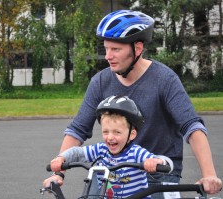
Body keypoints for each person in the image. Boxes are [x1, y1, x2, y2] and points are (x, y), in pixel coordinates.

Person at [44, 9, 222, 197]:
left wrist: (209, 175)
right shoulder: (100, 81)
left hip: (156, 175)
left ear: (137, 49)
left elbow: (191, 126)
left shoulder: (164, 79)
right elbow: (78, 129)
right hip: (111, 174)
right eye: (106, 49)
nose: (108, 56)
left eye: (116, 49)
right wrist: (59, 172)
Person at [44, 95, 174, 198]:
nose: (110, 137)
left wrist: (155, 162)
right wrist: (61, 158)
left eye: (117, 132)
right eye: (106, 132)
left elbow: (164, 162)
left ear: (132, 134)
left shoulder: (136, 153)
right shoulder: (101, 150)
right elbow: (77, 152)